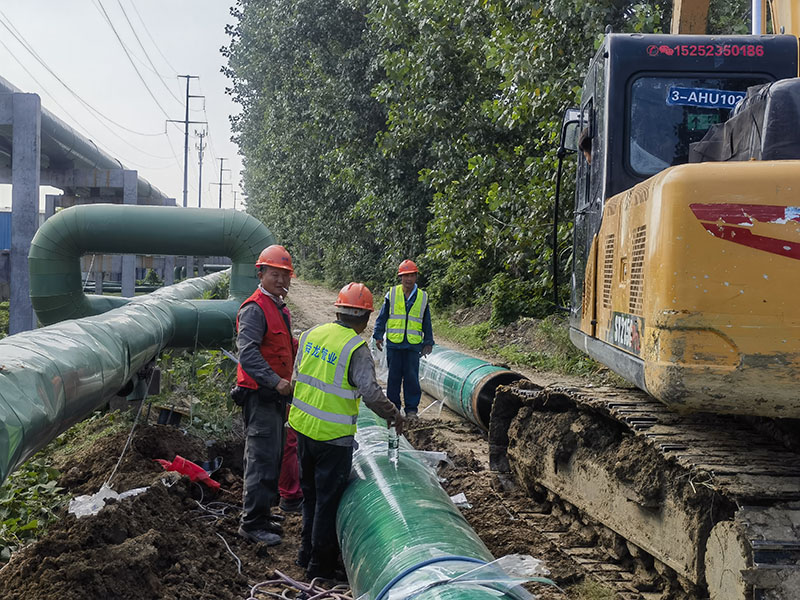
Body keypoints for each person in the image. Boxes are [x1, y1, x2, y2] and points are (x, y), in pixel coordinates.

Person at [288, 282, 404, 581]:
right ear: (365, 319)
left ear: (337, 310)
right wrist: (393, 415)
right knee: (328, 502)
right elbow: (371, 393)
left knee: (311, 495)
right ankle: (321, 566)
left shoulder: (312, 334)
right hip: (332, 438)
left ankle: (304, 553)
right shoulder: (356, 348)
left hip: (302, 429)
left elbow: (297, 375)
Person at [234, 244, 298, 546]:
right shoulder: (255, 308)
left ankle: (263, 513)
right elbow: (247, 354)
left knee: (272, 456)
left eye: (285, 276)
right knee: (260, 459)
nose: (281, 281)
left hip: (274, 397)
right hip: (260, 395)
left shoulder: (278, 307)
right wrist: (276, 381)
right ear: (261, 273)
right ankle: (251, 524)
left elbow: (281, 347)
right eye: (275, 274)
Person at [373, 259, 434, 419]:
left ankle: (411, 410)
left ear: (416, 277)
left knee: (411, 378)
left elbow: (426, 321)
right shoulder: (392, 294)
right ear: (400, 277)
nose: (408, 279)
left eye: (411, 275)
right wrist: (378, 335)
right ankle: (393, 408)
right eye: (405, 276)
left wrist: (428, 341)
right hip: (394, 344)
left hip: (413, 345)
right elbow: (382, 317)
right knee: (393, 378)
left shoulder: (422, 297)